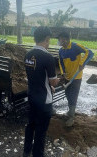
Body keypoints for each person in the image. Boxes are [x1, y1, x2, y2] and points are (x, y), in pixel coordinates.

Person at [23, 26, 60, 157]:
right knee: (41, 131)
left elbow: (35, 76)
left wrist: (49, 86)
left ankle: (26, 151)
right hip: (44, 101)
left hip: (32, 97)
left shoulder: (28, 55)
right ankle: (37, 154)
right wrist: (57, 80)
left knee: (30, 125)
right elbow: (53, 81)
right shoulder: (48, 57)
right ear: (47, 39)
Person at [58, 31, 94, 127]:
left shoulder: (75, 46)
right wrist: (63, 73)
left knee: (73, 95)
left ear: (67, 39)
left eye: (63, 39)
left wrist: (82, 62)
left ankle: (71, 117)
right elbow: (60, 63)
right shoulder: (61, 51)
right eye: (60, 39)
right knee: (67, 94)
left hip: (76, 77)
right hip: (67, 77)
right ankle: (70, 110)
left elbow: (89, 52)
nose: (61, 41)